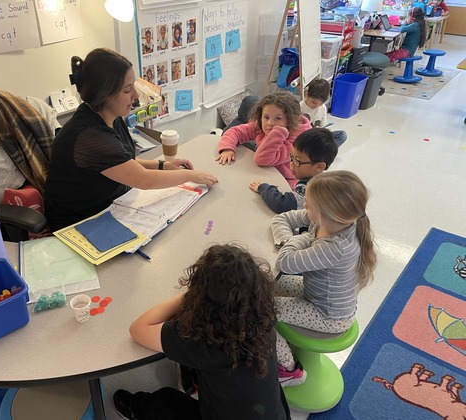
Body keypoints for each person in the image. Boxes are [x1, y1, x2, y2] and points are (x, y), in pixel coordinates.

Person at [44, 48, 217, 231]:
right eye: (127, 90)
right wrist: (192, 176)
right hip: (78, 224)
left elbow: (124, 161)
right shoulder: (90, 137)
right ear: (105, 93)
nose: (135, 95)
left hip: (111, 206)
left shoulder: (110, 116)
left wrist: (162, 166)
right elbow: (144, 180)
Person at [112, 244, 291, 420]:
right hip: (276, 415)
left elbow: (138, 329)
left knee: (165, 400)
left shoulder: (204, 343)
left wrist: (191, 295)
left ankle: (135, 407)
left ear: (202, 298)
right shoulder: (263, 320)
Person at [271, 170, 376, 386]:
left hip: (328, 315)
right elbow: (282, 218)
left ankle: (288, 371)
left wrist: (299, 238)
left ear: (326, 213)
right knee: (269, 286)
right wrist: (295, 239)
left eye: (308, 205)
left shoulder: (335, 247)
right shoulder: (328, 222)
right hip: (318, 298)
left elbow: (285, 262)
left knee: (258, 312)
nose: (304, 208)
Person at [216, 92, 312, 189]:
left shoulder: (298, 139)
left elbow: (263, 159)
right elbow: (235, 131)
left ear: (291, 120)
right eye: (266, 117)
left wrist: (278, 132)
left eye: (278, 118)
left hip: (287, 180)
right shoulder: (260, 125)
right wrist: (228, 148)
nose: (270, 123)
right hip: (264, 172)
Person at [249, 128, 338, 214]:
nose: (291, 164)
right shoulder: (320, 179)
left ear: (319, 167)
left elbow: (282, 205)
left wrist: (264, 188)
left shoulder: (310, 189)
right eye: (292, 157)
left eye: (297, 161)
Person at [299, 78, 347, 147]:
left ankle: (320, 153)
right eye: (313, 102)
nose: (316, 106)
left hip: (316, 138)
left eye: (320, 104)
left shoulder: (323, 108)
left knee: (342, 135)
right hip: (303, 140)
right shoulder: (299, 107)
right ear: (307, 95)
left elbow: (323, 126)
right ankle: (319, 153)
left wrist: (320, 131)